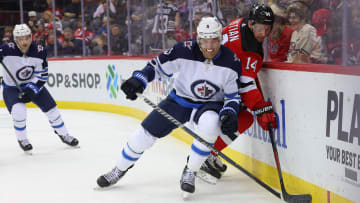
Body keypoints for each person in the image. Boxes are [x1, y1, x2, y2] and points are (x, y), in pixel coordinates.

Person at [96, 17, 242, 196]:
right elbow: (156, 67)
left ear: (221, 39)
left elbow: (232, 96)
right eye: (205, 40)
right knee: (142, 136)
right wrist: (139, 80)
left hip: (210, 105)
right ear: (199, 39)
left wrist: (230, 112)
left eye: (214, 40)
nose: (209, 46)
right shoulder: (184, 50)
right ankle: (119, 169)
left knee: (211, 124)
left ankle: (191, 171)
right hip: (180, 100)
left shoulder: (231, 61)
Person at [198, 3, 277, 180]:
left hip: (206, 76)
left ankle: (208, 154)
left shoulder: (240, 24)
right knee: (244, 118)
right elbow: (245, 83)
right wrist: (260, 108)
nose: (263, 34)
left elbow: (242, 71)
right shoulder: (248, 47)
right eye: (260, 28)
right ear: (251, 24)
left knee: (230, 116)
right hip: (213, 85)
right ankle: (205, 155)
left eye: (267, 29)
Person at [0, 24, 79, 154]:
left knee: (52, 110)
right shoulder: (5, 50)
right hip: (12, 88)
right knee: (19, 111)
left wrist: (31, 90)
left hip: (33, 84)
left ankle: (64, 135)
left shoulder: (40, 50)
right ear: (15, 39)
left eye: (27, 38)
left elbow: (42, 75)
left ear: (31, 37)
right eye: (20, 39)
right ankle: (22, 139)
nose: (24, 42)